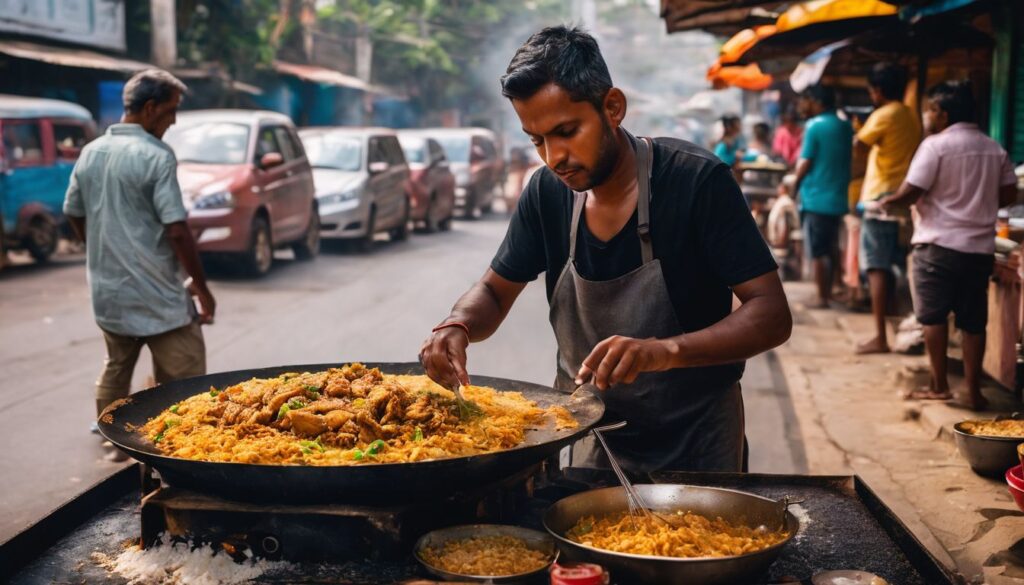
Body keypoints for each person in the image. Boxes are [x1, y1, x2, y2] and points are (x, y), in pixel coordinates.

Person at [419, 26, 791, 474]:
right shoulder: (547, 194)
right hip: (591, 437)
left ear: (612, 107)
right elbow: (495, 292)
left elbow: (770, 314)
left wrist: (664, 351)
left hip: (697, 443)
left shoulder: (696, 182)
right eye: (537, 140)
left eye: (566, 131)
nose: (553, 157)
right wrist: (457, 324)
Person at [63, 69, 215, 456]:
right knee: (184, 375)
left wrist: (98, 247)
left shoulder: (91, 152)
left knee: (116, 366)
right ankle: (176, 447)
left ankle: (117, 444)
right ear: (150, 109)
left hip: (109, 292)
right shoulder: (156, 155)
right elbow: (178, 231)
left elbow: (73, 212)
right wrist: (200, 287)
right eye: (171, 111)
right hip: (158, 295)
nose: (174, 120)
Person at [881, 81, 1019, 410]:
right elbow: (1010, 195)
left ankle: (939, 385)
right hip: (979, 249)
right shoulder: (994, 148)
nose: (927, 116)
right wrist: (978, 201)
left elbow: (912, 191)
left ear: (942, 114)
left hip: (937, 246)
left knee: (933, 318)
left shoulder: (935, 146)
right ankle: (973, 391)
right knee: (973, 321)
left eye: (930, 110)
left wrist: (887, 202)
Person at [853, 62, 921, 354]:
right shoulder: (910, 115)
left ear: (878, 91)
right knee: (896, 266)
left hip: (881, 198)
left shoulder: (885, 113)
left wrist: (859, 127)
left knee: (877, 267)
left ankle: (880, 336)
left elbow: (859, 144)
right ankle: (899, 330)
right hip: (903, 199)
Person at [793, 85, 853, 308]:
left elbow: (805, 161)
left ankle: (822, 297)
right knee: (833, 245)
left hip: (817, 197)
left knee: (819, 251)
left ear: (817, 101)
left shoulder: (814, 126)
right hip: (838, 197)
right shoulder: (845, 125)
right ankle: (836, 287)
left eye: (807, 100)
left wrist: (795, 185)